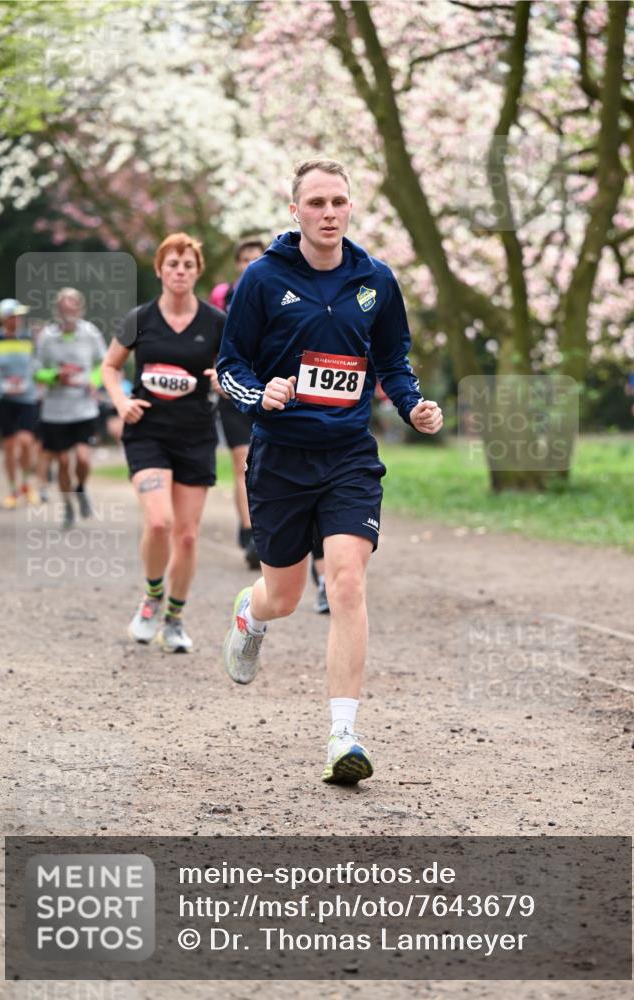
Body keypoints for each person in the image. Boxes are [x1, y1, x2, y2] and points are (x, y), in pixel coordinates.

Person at [217, 158, 443, 785]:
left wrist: (413, 404)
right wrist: (260, 394)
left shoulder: (376, 279)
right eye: (315, 202)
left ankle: (344, 735)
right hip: (281, 458)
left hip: (348, 455)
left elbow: (393, 360)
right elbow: (231, 363)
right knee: (284, 597)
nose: (328, 213)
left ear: (350, 208)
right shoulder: (262, 279)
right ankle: (251, 613)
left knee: (345, 582)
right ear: (295, 211)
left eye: (338, 202)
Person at [101, 233, 224, 654]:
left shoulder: (215, 322)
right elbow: (110, 366)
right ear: (159, 269)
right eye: (172, 264)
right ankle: (152, 596)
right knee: (158, 522)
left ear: (197, 272)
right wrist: (120, 401)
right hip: (148, 433)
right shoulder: (139, 318)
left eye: (188, 265)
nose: (180, 271)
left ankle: (174, 616)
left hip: (195, 435)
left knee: (187, 537)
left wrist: (222, 382)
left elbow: (233, 372)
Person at [209, 239, 266, 569]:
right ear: (237, 264)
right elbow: (213, 344)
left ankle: (263, 526)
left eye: (255, 259)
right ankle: (250, 534)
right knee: (243, 461)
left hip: (267, 393)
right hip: (232, 394)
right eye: (244, 259)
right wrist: (218, 375)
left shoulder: (277, 292)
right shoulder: (223, 299)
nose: (249, 265)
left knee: (264, 462)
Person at [34, 288, 107, 529]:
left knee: (83, 459)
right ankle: (67, 505)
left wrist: (94, 381)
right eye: (64, 307)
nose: (68, 311)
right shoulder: (46, 337)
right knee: (63, 462)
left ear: (80, 308)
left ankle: (81, 488)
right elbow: (36, 370)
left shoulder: (90, 333)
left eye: (72, 306)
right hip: (55, 411)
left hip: (83, 408)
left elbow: (103, 363)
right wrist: (55, 375)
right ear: (58, 310)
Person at [0, 298, 40, 507]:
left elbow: (37, 363)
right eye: (14, 316)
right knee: (9, 446)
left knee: (26, 442)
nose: (18, 320)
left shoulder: (28, 339)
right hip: (2, 398)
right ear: (5, 318)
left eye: (19, 316)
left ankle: (26, 484)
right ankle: (12, 489)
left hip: (26, 398)